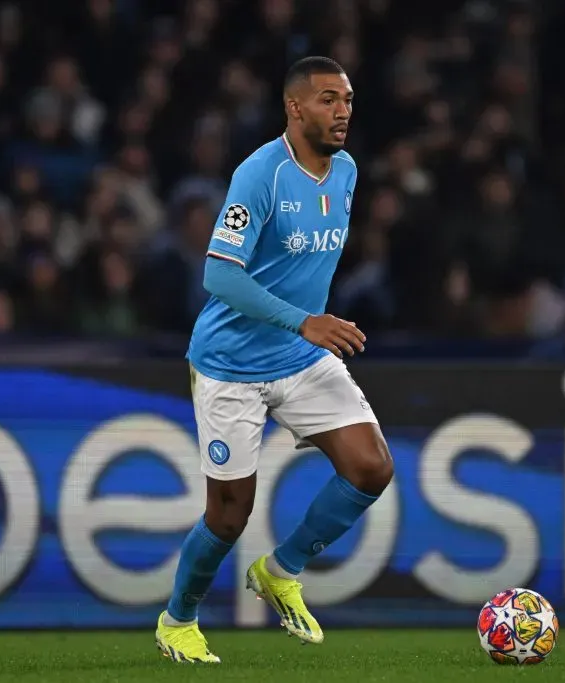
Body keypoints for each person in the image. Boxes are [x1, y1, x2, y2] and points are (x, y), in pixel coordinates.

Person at [155, 57, 393, 664]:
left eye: (347, 99)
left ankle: (281, 570)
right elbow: (218, 275)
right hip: (231, 363)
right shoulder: (259, 174)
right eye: (326, 100)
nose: (341, 111)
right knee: (230, 515)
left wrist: (304, 330)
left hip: (300, 356)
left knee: (370, 467)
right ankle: (178, 619)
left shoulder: (346, 172)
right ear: (294, 107)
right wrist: (304, 320)